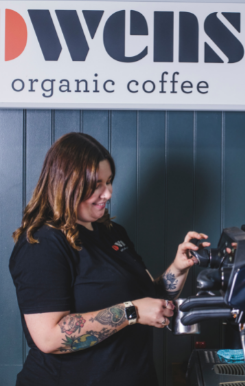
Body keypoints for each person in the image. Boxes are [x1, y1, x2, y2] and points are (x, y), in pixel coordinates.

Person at [8, 132, 211, 386]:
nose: (108, 193)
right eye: (97, 185)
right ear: (67, 184)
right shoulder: (42, 243)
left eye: (110, 181)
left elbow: (150, 298)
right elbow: (48, 337)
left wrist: (179, 267)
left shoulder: (112, 232)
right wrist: (132, 311)